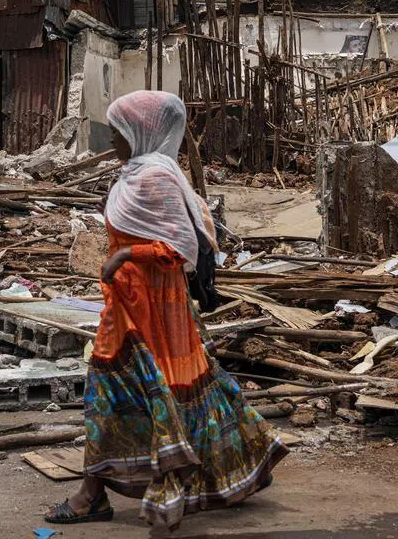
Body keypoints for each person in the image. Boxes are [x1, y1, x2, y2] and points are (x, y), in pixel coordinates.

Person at [44, 90, 287, 529]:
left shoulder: (155, 177)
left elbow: (181, 247)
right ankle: (240, 463)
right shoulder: (137, 173)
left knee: (126, 390)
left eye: (118, 130)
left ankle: (90, 497)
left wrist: (124, 255)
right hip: (125, 304)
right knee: (146, 389)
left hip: (153, 309)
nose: (112, 138)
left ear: (142, 131)